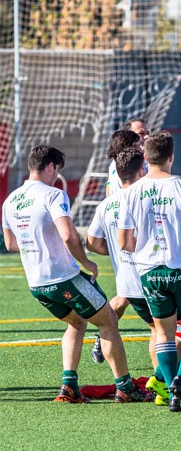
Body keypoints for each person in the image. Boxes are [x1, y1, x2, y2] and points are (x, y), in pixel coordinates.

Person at [2, 145, 151, 404]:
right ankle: (125, 388)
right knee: (108, 322)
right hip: (64, 277)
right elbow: (69, 235)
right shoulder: (53, 195)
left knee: (77, 322)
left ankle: (68, 387)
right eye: (56, 170)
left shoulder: (10, 201)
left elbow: (11, 244)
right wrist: (87, 262)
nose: (56, 176)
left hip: (37, 284)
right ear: (50, 167)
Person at [118, 131, 181, 411]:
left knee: (163, 332)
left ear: (146, 158)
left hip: (148, 272)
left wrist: (148, 245)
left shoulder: (132, 191)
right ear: (172, 157)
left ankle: (172, 390)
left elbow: (125, 242)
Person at [87, 147, 166, 404]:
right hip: (150, 278)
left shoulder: (107, 204)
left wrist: (114, 252)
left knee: (115, 327)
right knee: (161, 330)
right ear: (142, 169)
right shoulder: (147, 198)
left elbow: (92, 242)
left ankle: (125, 383)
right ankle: (162, 381)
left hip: (125, 282)